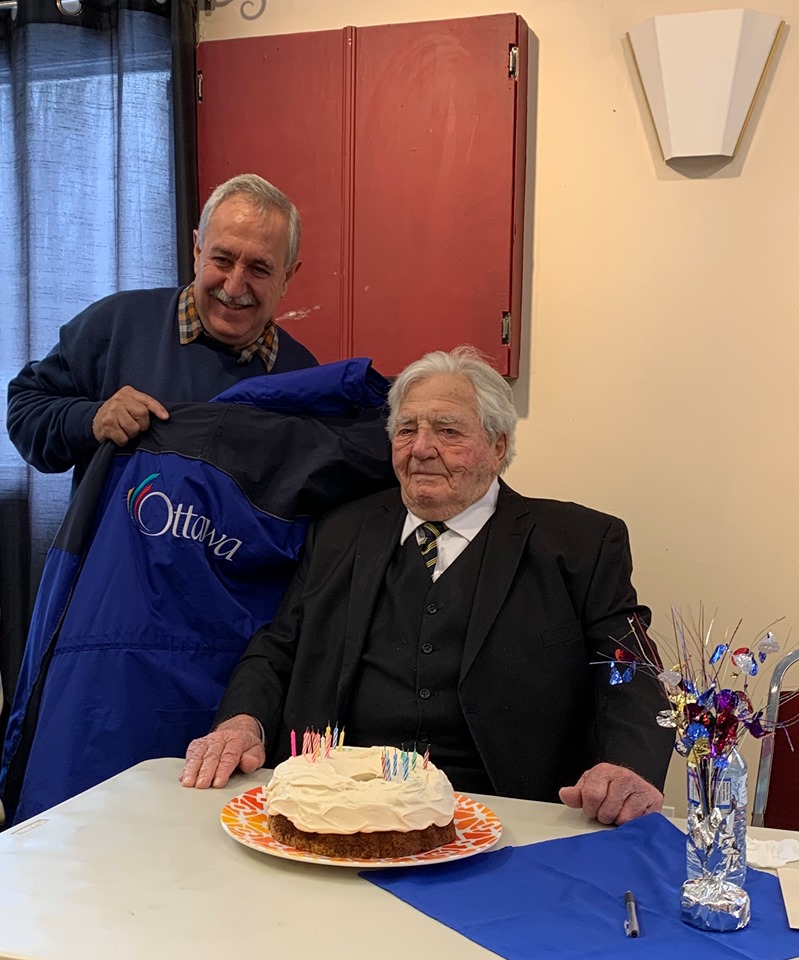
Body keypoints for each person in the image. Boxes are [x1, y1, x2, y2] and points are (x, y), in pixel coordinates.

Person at [180, 346, 674, 825]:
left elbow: (628, 670)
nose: (421, 448)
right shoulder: (340, 533)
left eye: (448, 430)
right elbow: (279, 645)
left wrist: (627, 764)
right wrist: (244, 720)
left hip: (510, 816)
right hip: (341, 806)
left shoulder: (582, 544)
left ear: (498, 446)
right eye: (406, 430)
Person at [7, 173, 317, 490]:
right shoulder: (117, 324)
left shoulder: (305, 380)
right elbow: (25, 411)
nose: (235, 287)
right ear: (197, 252)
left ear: (287, 277)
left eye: (259, 268)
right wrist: (92, 419)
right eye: (222, 259)